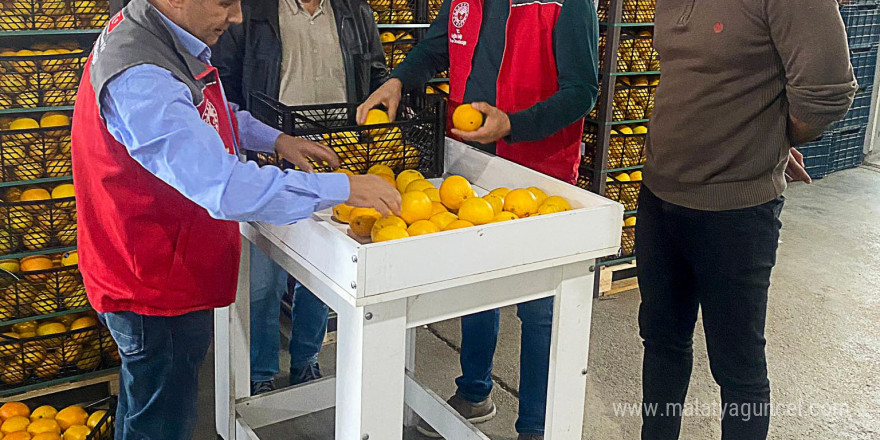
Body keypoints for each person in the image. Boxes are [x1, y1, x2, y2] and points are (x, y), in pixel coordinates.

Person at [70, 0, 401, 438]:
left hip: (158, 264)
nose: (238, 17)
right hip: (151, 283)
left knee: (144, 403)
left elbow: (204, 110)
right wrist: (342, 188)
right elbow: (224, 187)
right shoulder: (141, 75)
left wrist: (275, 138)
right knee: (162, 421)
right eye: (225, 2)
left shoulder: (157, 32)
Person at [357, 0, 598, 437]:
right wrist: (397, 80)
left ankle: (536, 426)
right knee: (476, 286)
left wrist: (514, 125)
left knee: (541, 308)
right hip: (472, 164)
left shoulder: (567, 4)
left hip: (539, 177)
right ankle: (474, 393)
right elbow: (433, 49)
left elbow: (582, 90)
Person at [637, 1, 857, 439]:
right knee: (661, 343)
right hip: (660, 195)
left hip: (735, 213)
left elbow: (827, 92)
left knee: (737, 368)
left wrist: (768, 137)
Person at [211, 0, 388, 394]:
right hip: (272, 159)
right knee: (263, 283)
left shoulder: (354, 11)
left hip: (338, 160)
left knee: (321, 277)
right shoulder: (252, 11)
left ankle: (306, 359)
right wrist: (255, 140)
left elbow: (375, 71)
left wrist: (380, 105)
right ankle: (259, 372)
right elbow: (224, 84)